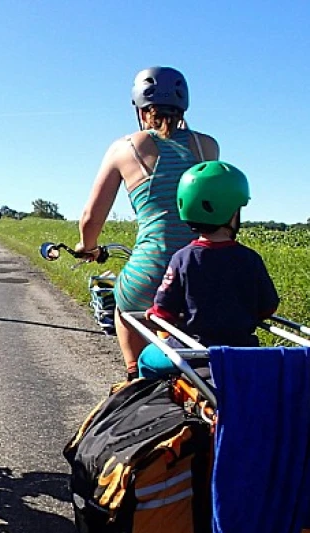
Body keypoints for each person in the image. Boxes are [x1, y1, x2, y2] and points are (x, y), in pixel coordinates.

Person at [76, 67, 220, 379]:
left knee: (124, 305)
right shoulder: (207, 146)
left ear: (140, 110)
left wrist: (86, 247)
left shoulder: (124, 148)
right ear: (183, 108)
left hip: (150, 270)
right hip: (203, 270)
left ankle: (134, 379)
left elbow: (91, 218)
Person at [138, 161, 280, 378]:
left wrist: (154, 313)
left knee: (146, 359)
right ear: (232, 213)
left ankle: (148, 403)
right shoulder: (251, 259)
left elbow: (164, 312)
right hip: (243, 352)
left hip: (193, 351)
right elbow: (268, 308)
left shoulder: (182, 258)